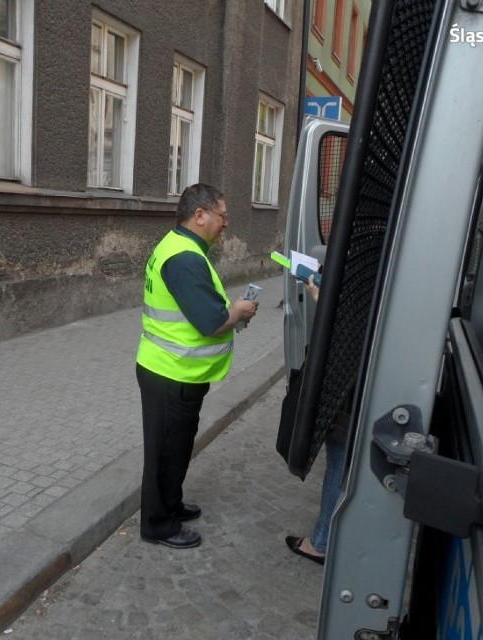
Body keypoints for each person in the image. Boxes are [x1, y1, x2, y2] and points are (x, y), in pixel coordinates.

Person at [136, 183, 259, 549]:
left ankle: (170, 504)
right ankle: (158, 525)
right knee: (165, 453)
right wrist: (237, 311)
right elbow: (210, 321)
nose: (226, 223)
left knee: (175, 447)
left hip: (175, 371)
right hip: (170, 373)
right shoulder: (186, 258)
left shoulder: (181, 247)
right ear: (200, 215)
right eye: (222, 215)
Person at [285, 274, 348, 565]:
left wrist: (320, 299)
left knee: (339, 462)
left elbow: (347, 325)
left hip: (349, 386)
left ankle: (321, 541)